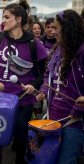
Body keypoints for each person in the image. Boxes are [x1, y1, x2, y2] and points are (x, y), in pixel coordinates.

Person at [0, 0, 48, 164]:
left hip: (23, 101)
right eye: (2, 17)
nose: (2, 20)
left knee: (20, 142)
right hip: (0, 100)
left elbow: (44, 73)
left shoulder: (35, 44)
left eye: (6, 17)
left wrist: (33, 85)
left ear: (18, 19)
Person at [36, 9, 84, 164]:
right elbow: (48, 75)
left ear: (68, 28)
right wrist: (43, 90)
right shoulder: (58, 49)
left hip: (75, 121)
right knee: (49, 159)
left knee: (66, 161)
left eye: (57, 28)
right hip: (53, 116)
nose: (52, 32)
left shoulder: (82, 51)